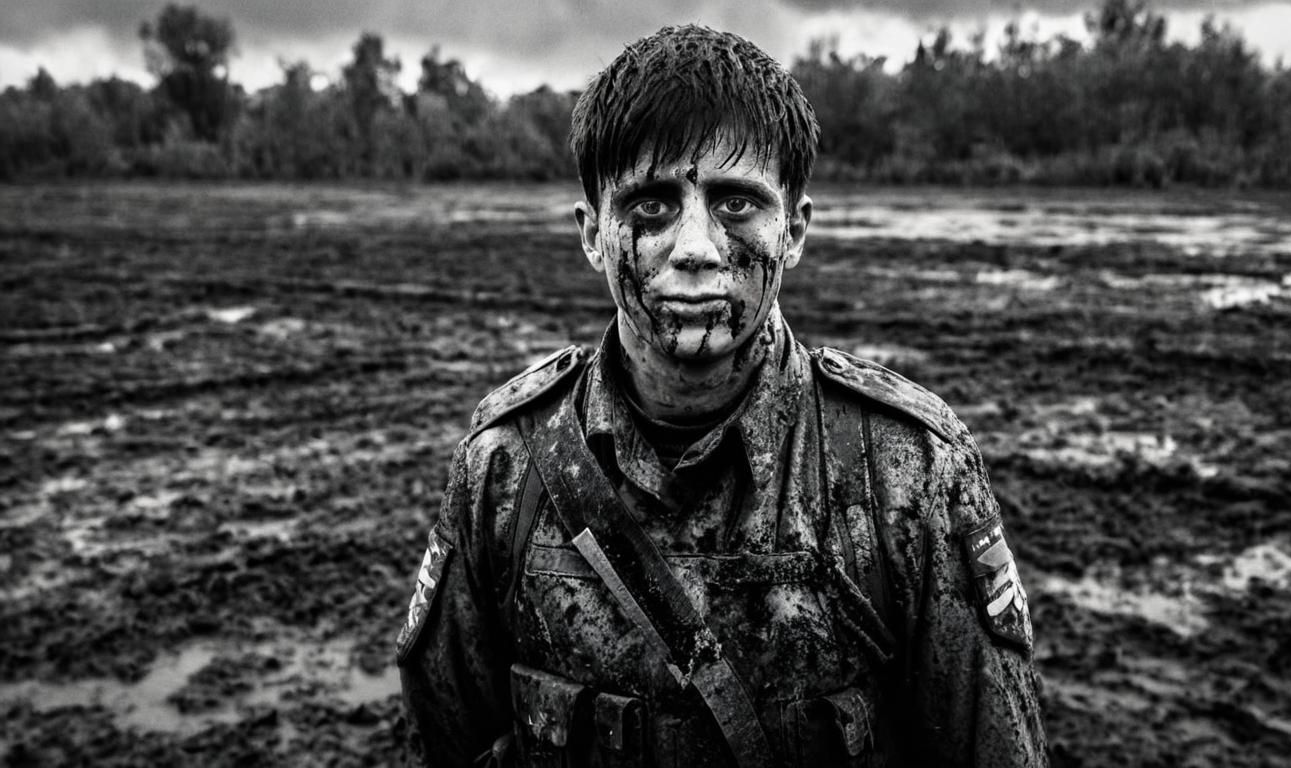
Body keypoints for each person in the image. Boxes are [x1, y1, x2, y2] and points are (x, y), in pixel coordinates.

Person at [397, 24, 1047, 768]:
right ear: (593, 234)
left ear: (794, 228)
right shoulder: (504, 469)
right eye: (651, 206)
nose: (696, 249)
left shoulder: (907, 471)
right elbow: (444, 739)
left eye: (736, 203)